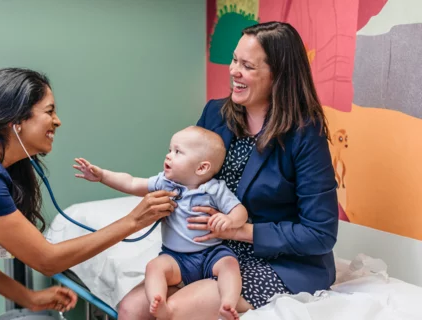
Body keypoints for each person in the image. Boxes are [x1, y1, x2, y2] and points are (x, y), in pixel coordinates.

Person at [117, 21, 339, 320]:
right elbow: (189, 176)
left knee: (177, 311)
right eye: (235, 59)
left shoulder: (304, 135)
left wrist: (239, 230)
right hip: (212, 252)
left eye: (247, 65)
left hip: (281, 263)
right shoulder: (216, 114)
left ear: (278, 75)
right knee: (130, 309)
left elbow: (319, 233)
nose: (233, 70)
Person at [0, 68, 177, 320]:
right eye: (49, 111)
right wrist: (134, 220)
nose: (57, 121)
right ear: (16, 120)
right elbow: (47, 260)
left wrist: (28, 297)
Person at [73, 126, 248, 320]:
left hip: (212, 253)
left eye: (178, 152)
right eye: (170, 150)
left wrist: (229, 220)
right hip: (176, 258)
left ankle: (228, 303)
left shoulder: (215, 189)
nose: (168, 156)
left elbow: (240, 211)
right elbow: (131, 183)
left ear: (202, 168)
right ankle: (158, 301)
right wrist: (103, 176)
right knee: (154, 267)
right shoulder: (164, 182)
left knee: (230, 265)